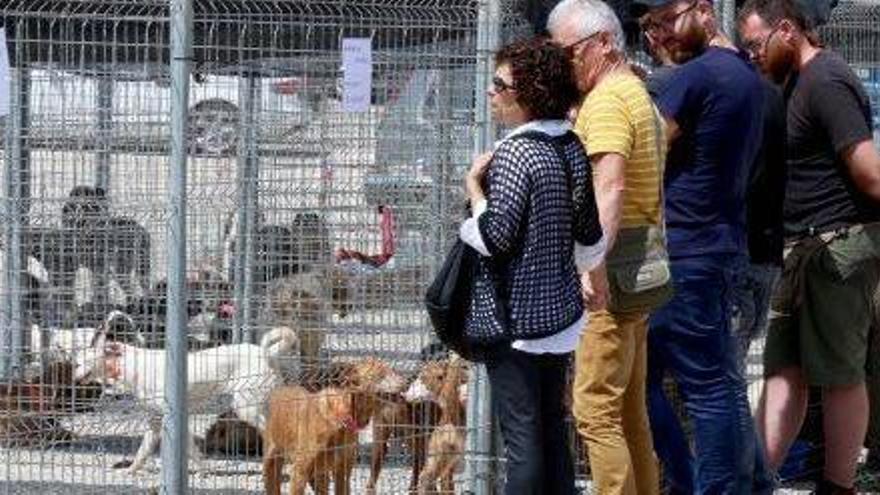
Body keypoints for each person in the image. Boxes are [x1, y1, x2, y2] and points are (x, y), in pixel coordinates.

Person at [738, 0, 880, 492]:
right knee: (783, 369)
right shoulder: (793, 82)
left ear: (787, 30)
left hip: (837, 245)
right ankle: (754, 478)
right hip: (802, 249)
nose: (752, 55)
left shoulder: (827, 81)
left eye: (756, 44)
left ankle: (838, 486)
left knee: (840, 373)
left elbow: (869, 171)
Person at [459, 37, 605, 495]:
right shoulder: (571, 146)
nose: (490, 92)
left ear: (528, 92)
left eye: (499, 84)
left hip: (515, 320)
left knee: (522, 438)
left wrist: (474, 193)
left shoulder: (516, 152)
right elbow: (590, 241)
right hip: (560, 318)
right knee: (551, 428)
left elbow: (492, 237)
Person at [632, 0, 767, 492]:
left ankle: (697, 485)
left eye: (667, 20)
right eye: (651, 26)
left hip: (684, 251)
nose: (659, 34)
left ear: (706, 12)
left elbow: (647, 152)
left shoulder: (696, 78)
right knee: (717, 384)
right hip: (720, 244)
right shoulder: (746, 77)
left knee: (682, 387)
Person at [546, 1, 664, 493]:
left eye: (567, 53)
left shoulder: (609, 100)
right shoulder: (637, 91)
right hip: (641, 268)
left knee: (594, 411)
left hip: (611, 271)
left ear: (605, 43)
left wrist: (590, 262)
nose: (563, 65)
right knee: (629, 411)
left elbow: (609, 187)